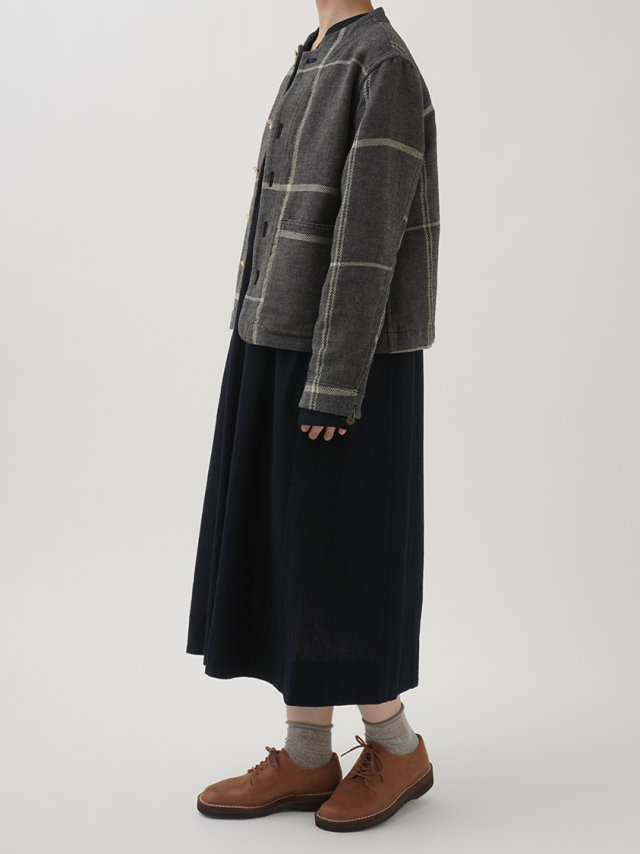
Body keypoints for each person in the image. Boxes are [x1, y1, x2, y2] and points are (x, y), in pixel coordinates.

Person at [186, 1, 440, 832]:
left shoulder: (381, 62)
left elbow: (370, 234)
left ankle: (397, 746)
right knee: (292, 552)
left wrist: (333, 380)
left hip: (346, 356)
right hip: (276, 335)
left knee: (342, 555)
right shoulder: (316, 50)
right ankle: (305, 756)